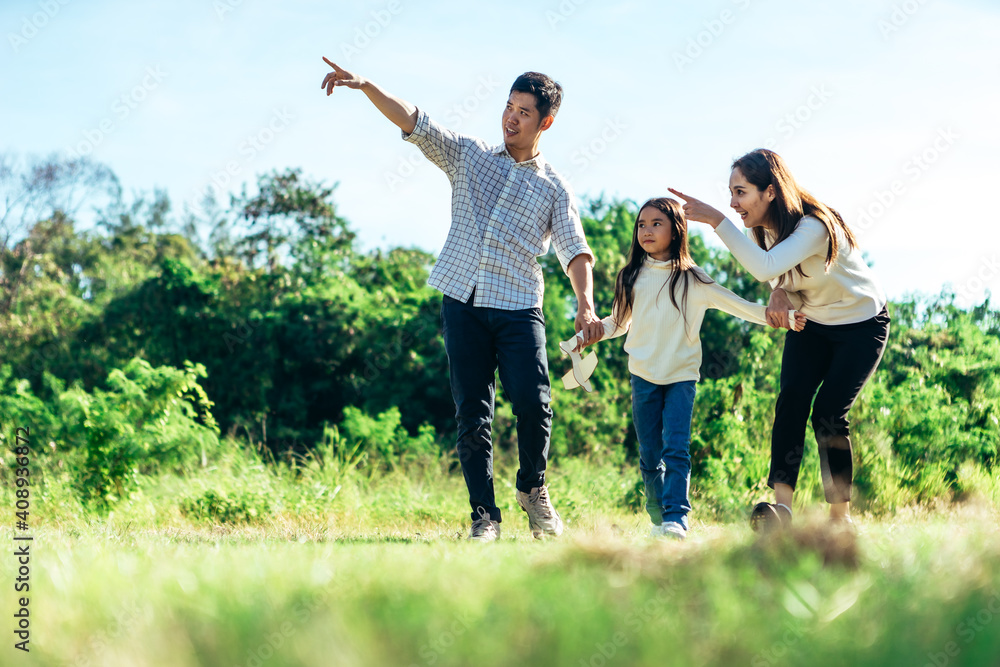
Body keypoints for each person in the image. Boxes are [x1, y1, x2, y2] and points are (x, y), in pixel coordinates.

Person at [321, 59, 604, 541]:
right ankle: (484, 517)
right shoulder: (469, 156)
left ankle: (532, 489)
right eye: (508, 108)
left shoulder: (554, 186)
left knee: (535, 404)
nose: (511, 118)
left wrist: (585, 304)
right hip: (462, 301)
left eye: (524, 113)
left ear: (546, 122)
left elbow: (574, 248)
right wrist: (368, 85)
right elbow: (417, 121)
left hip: (519, 307)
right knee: (473, 413)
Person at [669, 148, 890, 530]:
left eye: (740, 193)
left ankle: (841, 518)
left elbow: (763, 267)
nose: (733, 202)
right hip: (813, 323)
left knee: (828, 414)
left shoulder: (814, 226)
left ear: (769, 191)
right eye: (730, 194)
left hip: (861, 324)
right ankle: (781, 510)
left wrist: (717, 220)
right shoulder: (766, 228)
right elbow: (775, 273)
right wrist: (778, 291)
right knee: (790, 403)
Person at [578, 197, 804, 540]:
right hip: (642, 377)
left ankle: (676, 518)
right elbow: (619, 322)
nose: (647, 231)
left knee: (676, 449)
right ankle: (658, 520)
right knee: (650, 453)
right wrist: (593, 333)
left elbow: (737, 305)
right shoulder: (630, 276)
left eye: (657, 224)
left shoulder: (693, 279)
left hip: (681, 378)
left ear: (676, 230)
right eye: (642, 224)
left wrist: (780, 317)